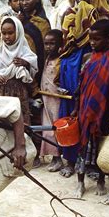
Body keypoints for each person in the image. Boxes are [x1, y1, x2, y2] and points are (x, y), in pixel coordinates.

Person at [58, 0, 109, 178]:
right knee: (74, 120)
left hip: (101, 99)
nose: (81, 1)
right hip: (78, 92)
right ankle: (72, 162)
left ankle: (97, 167)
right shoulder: (70, 21)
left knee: (98, 130)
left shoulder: (104, 23)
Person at [72, 20, 109, 198]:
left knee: (101, 146)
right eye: (91, 39)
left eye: (96, 39)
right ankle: (80, 182)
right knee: (82, 146)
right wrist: (75, 108)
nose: (92, 43)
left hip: (103, 111)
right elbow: (80, 86)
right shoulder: (88, 58)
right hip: (84, 110)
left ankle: (100, 180)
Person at [18, 0, 51, 168]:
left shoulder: (42, 22)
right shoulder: (19, 21)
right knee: (23, 112)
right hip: (19, 73)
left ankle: (38, 152)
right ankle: (26, 151)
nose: (24, 2)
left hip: (37, 72)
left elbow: (44, 50)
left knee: (37, 111)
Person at [0, 17, 38, 125]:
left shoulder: (25, 51)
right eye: (4, 33)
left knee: (20, 124)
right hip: (0, 93)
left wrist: (26, 63)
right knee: (2, 124)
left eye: (10, 33)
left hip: (19, 93)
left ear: (19, 32)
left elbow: (33, 71)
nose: (7, 37)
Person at [40, 29, 64, 172]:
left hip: (57, 101)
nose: (49, 47)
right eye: (46, 44)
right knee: (47, 129)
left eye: (52, 43)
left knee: (57, 129)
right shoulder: (47, 58)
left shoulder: (61, 60)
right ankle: (55, 158)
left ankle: (59, 157)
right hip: (46, 99)